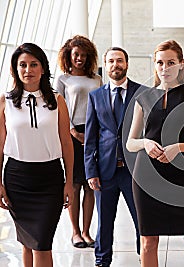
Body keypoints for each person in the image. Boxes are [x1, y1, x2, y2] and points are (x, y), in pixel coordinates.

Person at [126, 40, 184, 267]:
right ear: (154, 65)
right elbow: (130, 143)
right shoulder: (143, 98)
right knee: (148, 242)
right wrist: (145, 143)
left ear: (181, 64)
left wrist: (180, 147)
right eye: (160, 63)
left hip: (182, 179)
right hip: (147, 177)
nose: (165, 68)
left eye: (170, 62)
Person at [0, 43, 74, 267]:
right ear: (15, 69)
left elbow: (66, 142)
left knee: (42, 243)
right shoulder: (5, 101)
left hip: (50, 178)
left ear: (43, 68)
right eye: (22, 65)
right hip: (17, 178)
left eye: (34, 64)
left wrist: (69, 182)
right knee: (27, 242)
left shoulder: (56, 100)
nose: (28, 70)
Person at [85, 47, 142, 267]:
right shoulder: (95, 96)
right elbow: (90, 139)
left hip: (134, 170)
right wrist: (91, 171)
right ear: (105, 65)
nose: (115, 65)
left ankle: (144, 256)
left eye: (119, 60)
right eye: (111, 61)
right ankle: (102, 260)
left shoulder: (142, 93)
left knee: (141, 219)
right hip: (105, 171)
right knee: (104, 221)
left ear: (127, 64)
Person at [54, 35, 102, 249]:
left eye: (83, 55)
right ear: (69, 56)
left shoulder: (97, 79)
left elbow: (102, 108)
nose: (80, 59)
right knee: (73, 184)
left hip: (95, 134)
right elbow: (59, 111)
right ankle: (74, 232)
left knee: (91, 184)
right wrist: (74, 132)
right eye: (76, 55)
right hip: (72, 134)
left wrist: (95, 135)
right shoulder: (63, 80)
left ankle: (86, 232)